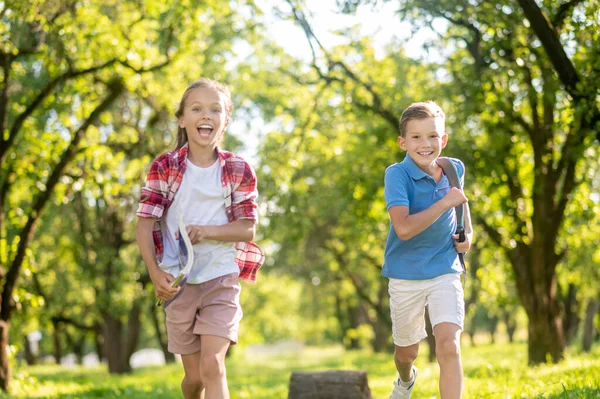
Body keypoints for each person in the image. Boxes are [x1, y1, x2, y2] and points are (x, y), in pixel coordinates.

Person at [136, 78, 264, 399]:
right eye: (196, 109)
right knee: (194, 379)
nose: (205, 115)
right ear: (182, 119)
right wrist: (155, 274)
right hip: (178, 283)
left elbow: (247, 229)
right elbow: (144, 225)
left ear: (225, 120)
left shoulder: (238, 168)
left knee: (213, 366)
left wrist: (206, 231)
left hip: (221, 277)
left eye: (214, 109)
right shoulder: (165, 167)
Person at [383, 101, 472, 399]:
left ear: (443, 139)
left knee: (448, 345)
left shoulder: (454, 168)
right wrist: (443, 204)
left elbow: (460, 200)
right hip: (405, 275)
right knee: (407, 353)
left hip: (444, 268)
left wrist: (467, 233)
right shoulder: (397, 175)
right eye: (417, 137)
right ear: (403, 142)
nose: (426, 144)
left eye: (433, 136)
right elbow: (404, 229)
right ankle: (405, 381)